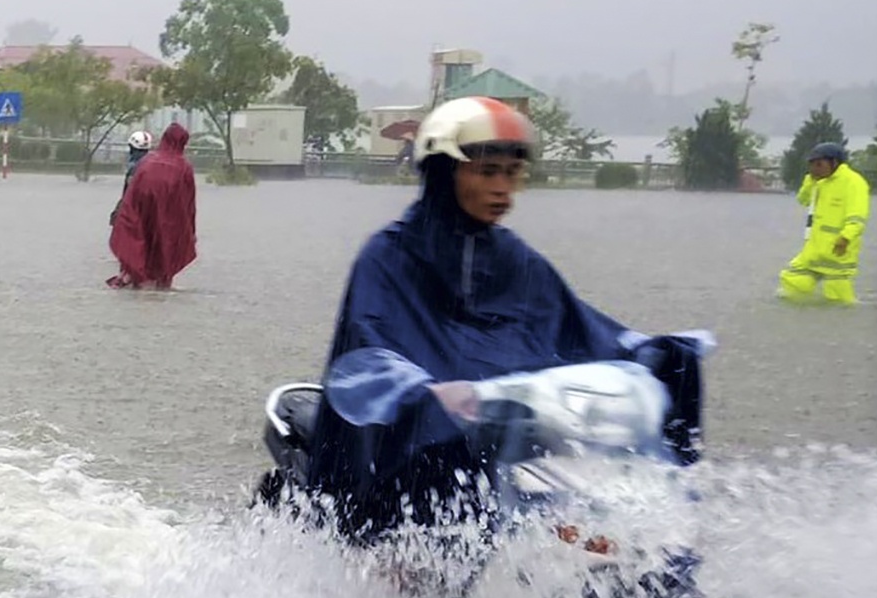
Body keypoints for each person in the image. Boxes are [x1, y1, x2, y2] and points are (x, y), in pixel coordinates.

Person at [295, 96, 709, 542]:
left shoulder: (517, 261)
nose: (502, 189)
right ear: (444, 172)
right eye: (487, 172)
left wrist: (655, 354)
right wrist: (423, 392)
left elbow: (578, 330)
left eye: (512, 173)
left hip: (496, 444)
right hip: (403, 454)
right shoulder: (388, 256)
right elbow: (368, 345)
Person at [778, 142, 870, 305]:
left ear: (834, 162)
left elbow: (857, 217)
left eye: (819, 164)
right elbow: (803, 200)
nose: (814, 168)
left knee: (839, 299)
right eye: (811, 164)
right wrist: (810, 181)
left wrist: (846, 237)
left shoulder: (853, 182)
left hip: (838, 249)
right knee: (792, 281)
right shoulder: (820, 182)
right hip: (815, 249)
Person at [107, 123, 197, 289]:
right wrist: (190, 230)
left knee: (138, 242)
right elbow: (189, 202)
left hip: (141, 212)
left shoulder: (146, 162)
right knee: (164, 249)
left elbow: (130, 193)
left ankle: (132, 279)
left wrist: (122, 216)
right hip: (167, 217)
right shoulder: (184, 167)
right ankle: (160, 287)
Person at [110, 129, 155, 225]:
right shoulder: (154, 164)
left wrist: (118, 212)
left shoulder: (134, 168)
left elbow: (129, 194)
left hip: (135, 215)